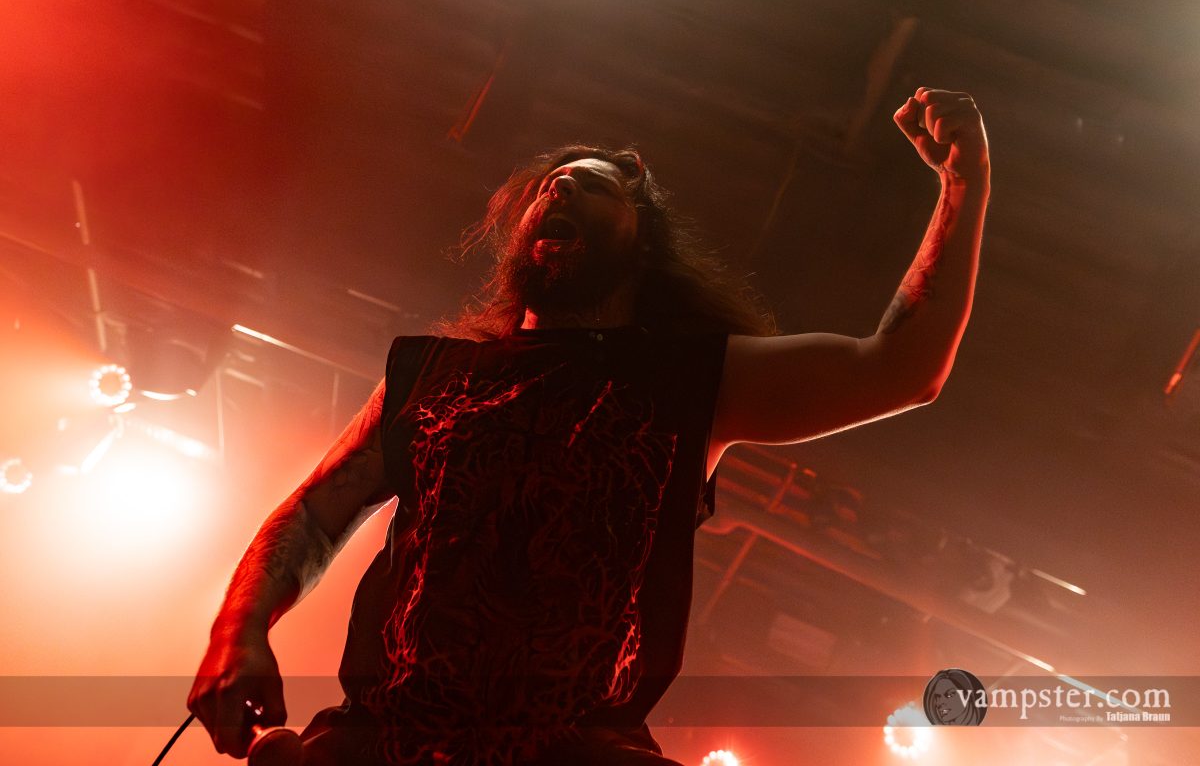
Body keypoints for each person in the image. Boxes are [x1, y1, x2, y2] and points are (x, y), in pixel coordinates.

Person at [187, 87, 990, 764]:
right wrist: (237, 629)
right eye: (549, 186)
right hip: (386, 741)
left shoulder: (690, 379)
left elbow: (902, 368)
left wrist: (964, 183)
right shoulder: (431, 373)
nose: (559, 190)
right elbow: (315, 511)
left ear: (641, 242)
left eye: (590, 188)